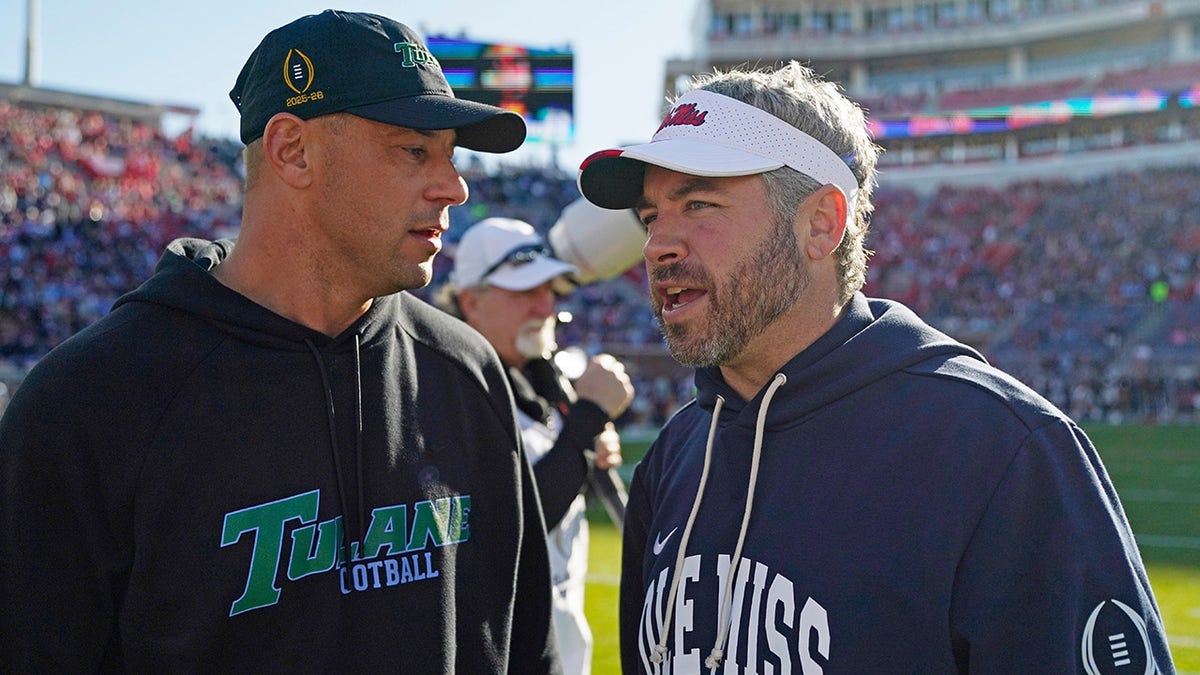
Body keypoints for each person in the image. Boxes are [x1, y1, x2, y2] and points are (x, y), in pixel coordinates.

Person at [0, 10, 561, 672]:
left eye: (452, 155)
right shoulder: (88, 402)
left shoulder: (468, 370)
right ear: (292, 150)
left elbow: (527, 651)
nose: (455, 187)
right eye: (414, 150)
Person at [576, 62, 1175, 673]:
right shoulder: (675, 456)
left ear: (820, 225)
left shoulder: (1001, 451)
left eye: (698, 203)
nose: (656, 247)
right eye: (652, 218)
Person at [434, 217, 635, 675]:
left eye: (550, 291)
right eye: (525, 293)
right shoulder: (449, 392)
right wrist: (585, 423)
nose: (546, 308)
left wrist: (580, 447)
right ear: (471, 302)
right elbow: (513, 526)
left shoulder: (536, 381)